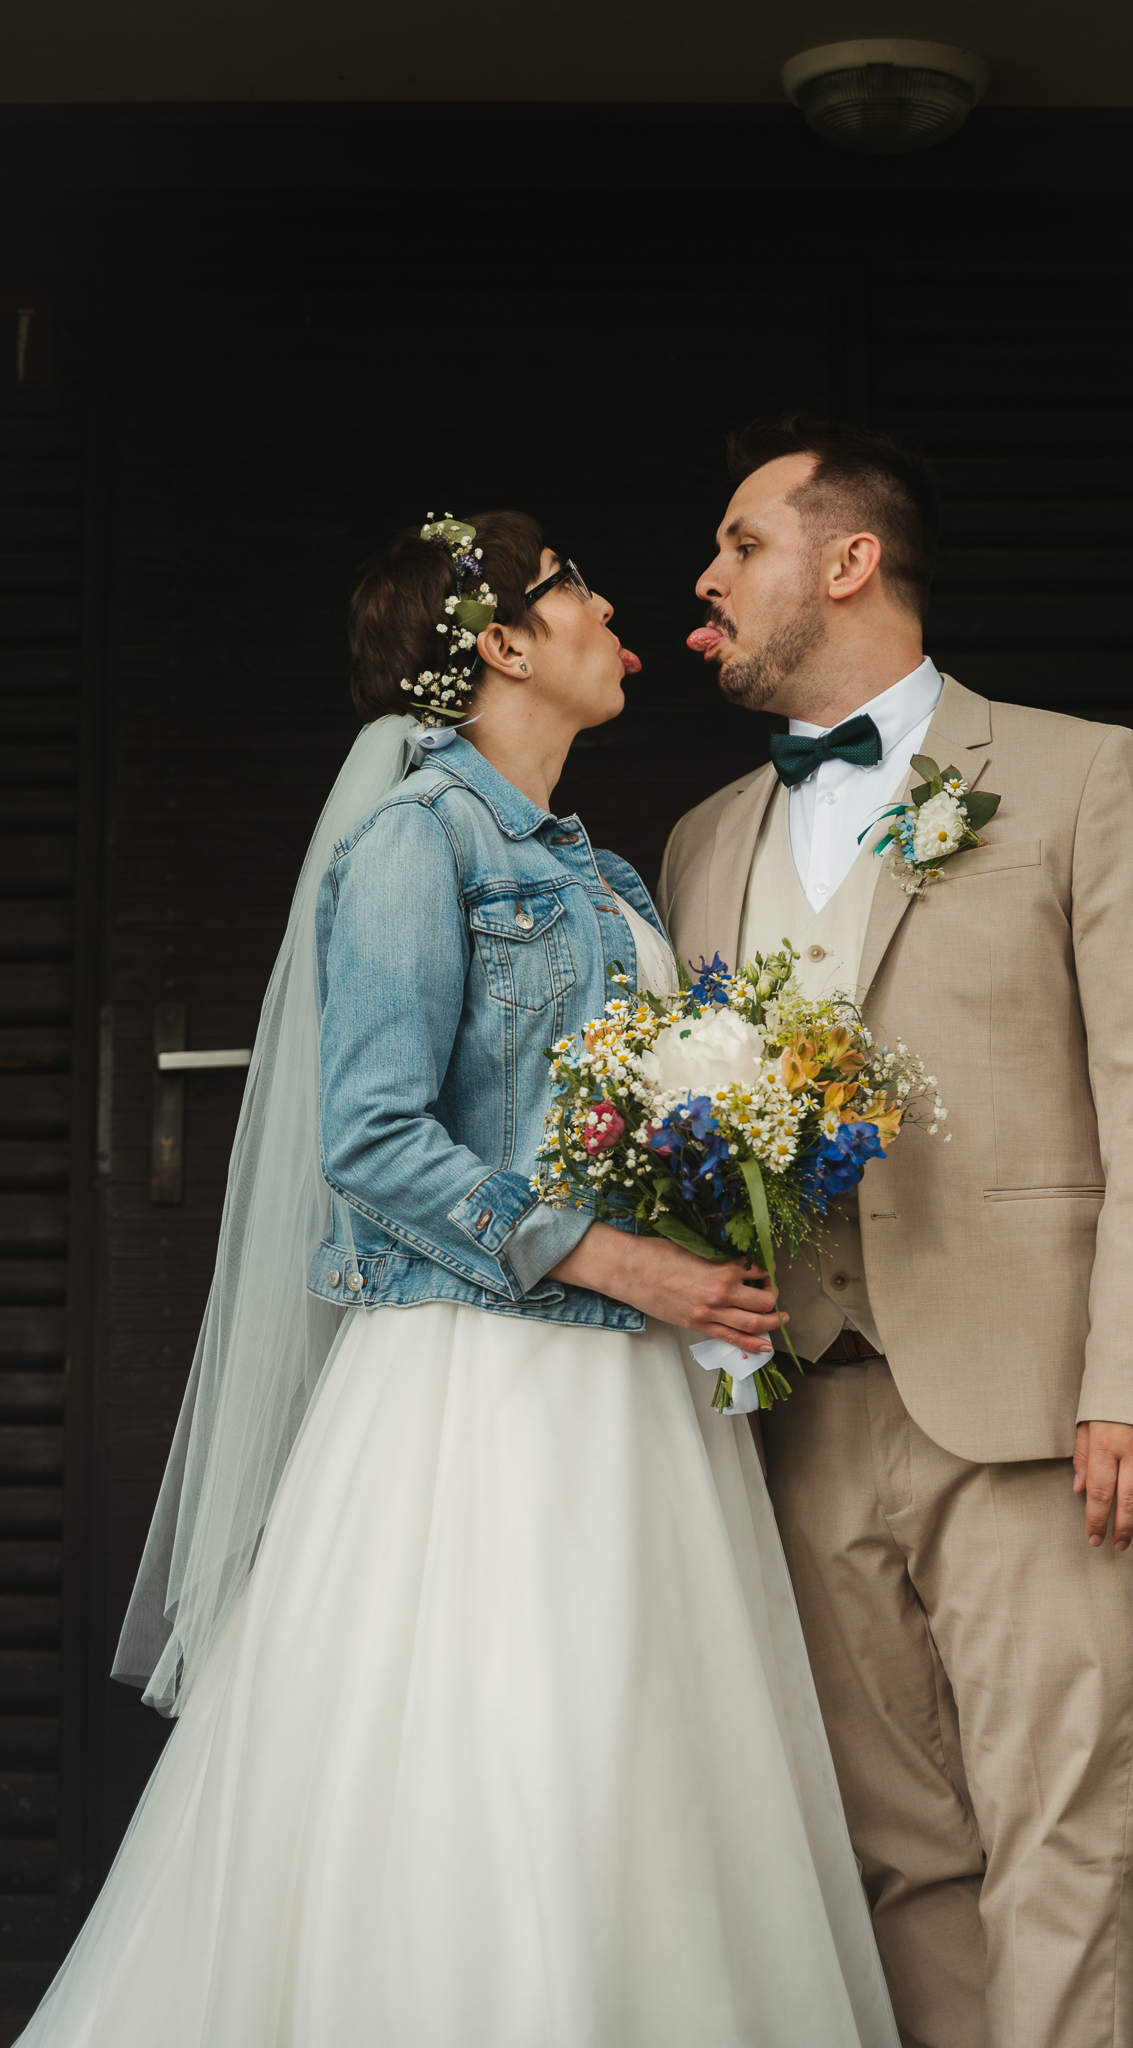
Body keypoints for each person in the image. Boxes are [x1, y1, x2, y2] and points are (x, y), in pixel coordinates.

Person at [18, 511, 899, 2048]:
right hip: (479, 1383)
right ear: (499, 643)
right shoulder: (415, 844)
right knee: (496, 1742)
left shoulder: (604, 869)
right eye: (575, 588)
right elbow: (369, 1138)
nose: (613, 608)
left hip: (635, 1385)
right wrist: (618, 1259)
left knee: (639, 1757)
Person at [659, 418, 1133, 2048]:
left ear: (850, 562)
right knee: (897, 1855)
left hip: (1042, 1410)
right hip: (800, 1413)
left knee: (1064, 1845)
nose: (706, 580)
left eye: (740, 543)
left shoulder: (1080, 773)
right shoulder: (703, 839)